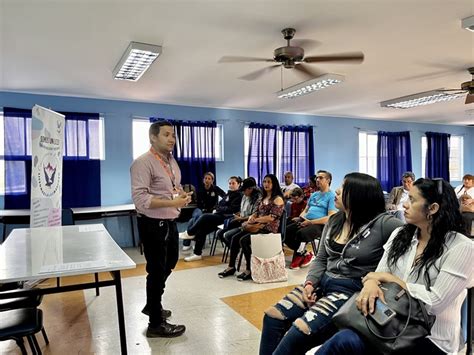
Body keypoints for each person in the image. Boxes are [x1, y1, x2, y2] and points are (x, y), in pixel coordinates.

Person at [315, 178, 474, 355]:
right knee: (341, 341)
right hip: (388, 323)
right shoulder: (401, 235)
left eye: (412, 200)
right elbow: (378, 274)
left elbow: (434, 303)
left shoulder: (461, 247)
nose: (404, 205)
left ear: (433, 208)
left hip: (431, 339)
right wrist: (370, 284)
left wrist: (392, 280)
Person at [259, 172, 403, 355]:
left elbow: (412, 237)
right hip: (322, 284)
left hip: (349, 291)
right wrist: (310, 283)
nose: (337, 191)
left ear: (359, 196)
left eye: (343, 188)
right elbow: (321, 258)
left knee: (299, 330)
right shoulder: (335, 220)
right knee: (272, 317)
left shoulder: (384, 224)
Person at [130, 120, 192, 338]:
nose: (172, 139)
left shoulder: (172, 162)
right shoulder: (143, 163)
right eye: (166, 135)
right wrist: (171, 203)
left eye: (173, 135)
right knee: (156, 271)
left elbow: (171, 189)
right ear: (153, 137)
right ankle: (155, 324)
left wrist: (180, 196)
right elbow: (141, 199)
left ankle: (152, 303)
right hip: (152, 224)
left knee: (170, 262)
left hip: (169, 222)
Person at [218, 174, 284, 281]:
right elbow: (257, 211)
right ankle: (231, 267)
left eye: (269, 182)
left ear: (274, 184)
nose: (266, 184)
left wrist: (256, 220)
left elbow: (272, 218)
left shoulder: (277, 199)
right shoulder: (263, 197)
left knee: (244, 240)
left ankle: (249, 269)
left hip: (268, 229)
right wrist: (253, 217)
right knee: (235, 238)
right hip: (258, 226)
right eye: (264, 182)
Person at [285, 170, 338, 270]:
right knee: (286, 230)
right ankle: (304, 253)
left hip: (320, 224)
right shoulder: (314, 195)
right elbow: (306, 210)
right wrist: (301, 217)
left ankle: (299, 254)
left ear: (328, 180)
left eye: (321, 178)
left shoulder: (331, 196)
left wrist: (311, 222)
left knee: (301, 233)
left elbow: (330, 217)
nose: (317, 180)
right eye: (317, 178)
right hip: (306, 221)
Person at [181, 176, 243, 261]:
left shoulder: (239, 195)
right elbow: (220, 204)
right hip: (220, 216)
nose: (231, 185)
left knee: (204, 216)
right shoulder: (229, 194)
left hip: (228, 218)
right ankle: (197, 254)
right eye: (229, 183)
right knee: (201, 230)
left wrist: (219, 209)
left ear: (238, 184)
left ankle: (189, 233)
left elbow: (232, 209)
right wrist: (218, 208)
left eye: (233, 183)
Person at [182, 172, 225, 251]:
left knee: (192, 221)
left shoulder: (216, 188)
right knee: (196, 217)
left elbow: (225, 196)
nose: (207, 180)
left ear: (212, 181)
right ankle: (189, 242)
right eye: (205, 178)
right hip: (200, 209)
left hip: (211, 211)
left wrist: (219, 206)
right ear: (203, 180)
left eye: (209, 179)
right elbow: (197, 201)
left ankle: (191, 241)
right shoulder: (200, 189)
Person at [216, 177, 262, 245]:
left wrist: (240, 218)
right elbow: (242, 210)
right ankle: (233, 248)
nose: (243, 192)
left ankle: (235, 248)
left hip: (249, 224)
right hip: (241, 220)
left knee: (228, 235)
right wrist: (238, 214)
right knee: (219, 233)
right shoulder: (244, 196)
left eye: (244, 190)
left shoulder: (258, 199)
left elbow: (254, 216)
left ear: (251, 189)